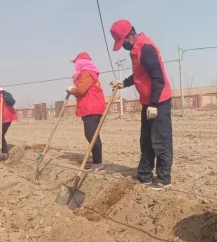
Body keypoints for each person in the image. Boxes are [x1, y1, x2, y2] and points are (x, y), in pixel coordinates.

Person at [109, 19, 173, 190]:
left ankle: (163, 178)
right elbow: (140, 75)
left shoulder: (146, 48)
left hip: (159, 101)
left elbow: (158, 78)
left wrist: (153, 104)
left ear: (131, 34)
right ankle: (144, 175)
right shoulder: (136, 50)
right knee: (146, 141)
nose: (123, 47)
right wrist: (124, 82)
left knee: (160, 141)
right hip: (148, 101)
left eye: (123, 42)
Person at [66, 52, 105, 171]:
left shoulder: (87, 74)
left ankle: (98, 162)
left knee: (91, 135)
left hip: (91, 108)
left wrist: (72, 89)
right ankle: (96, 160)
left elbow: (81, 90)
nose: (75, 65)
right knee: (91, 135)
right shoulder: (87, 74)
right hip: (89, 107)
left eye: (76, 63)